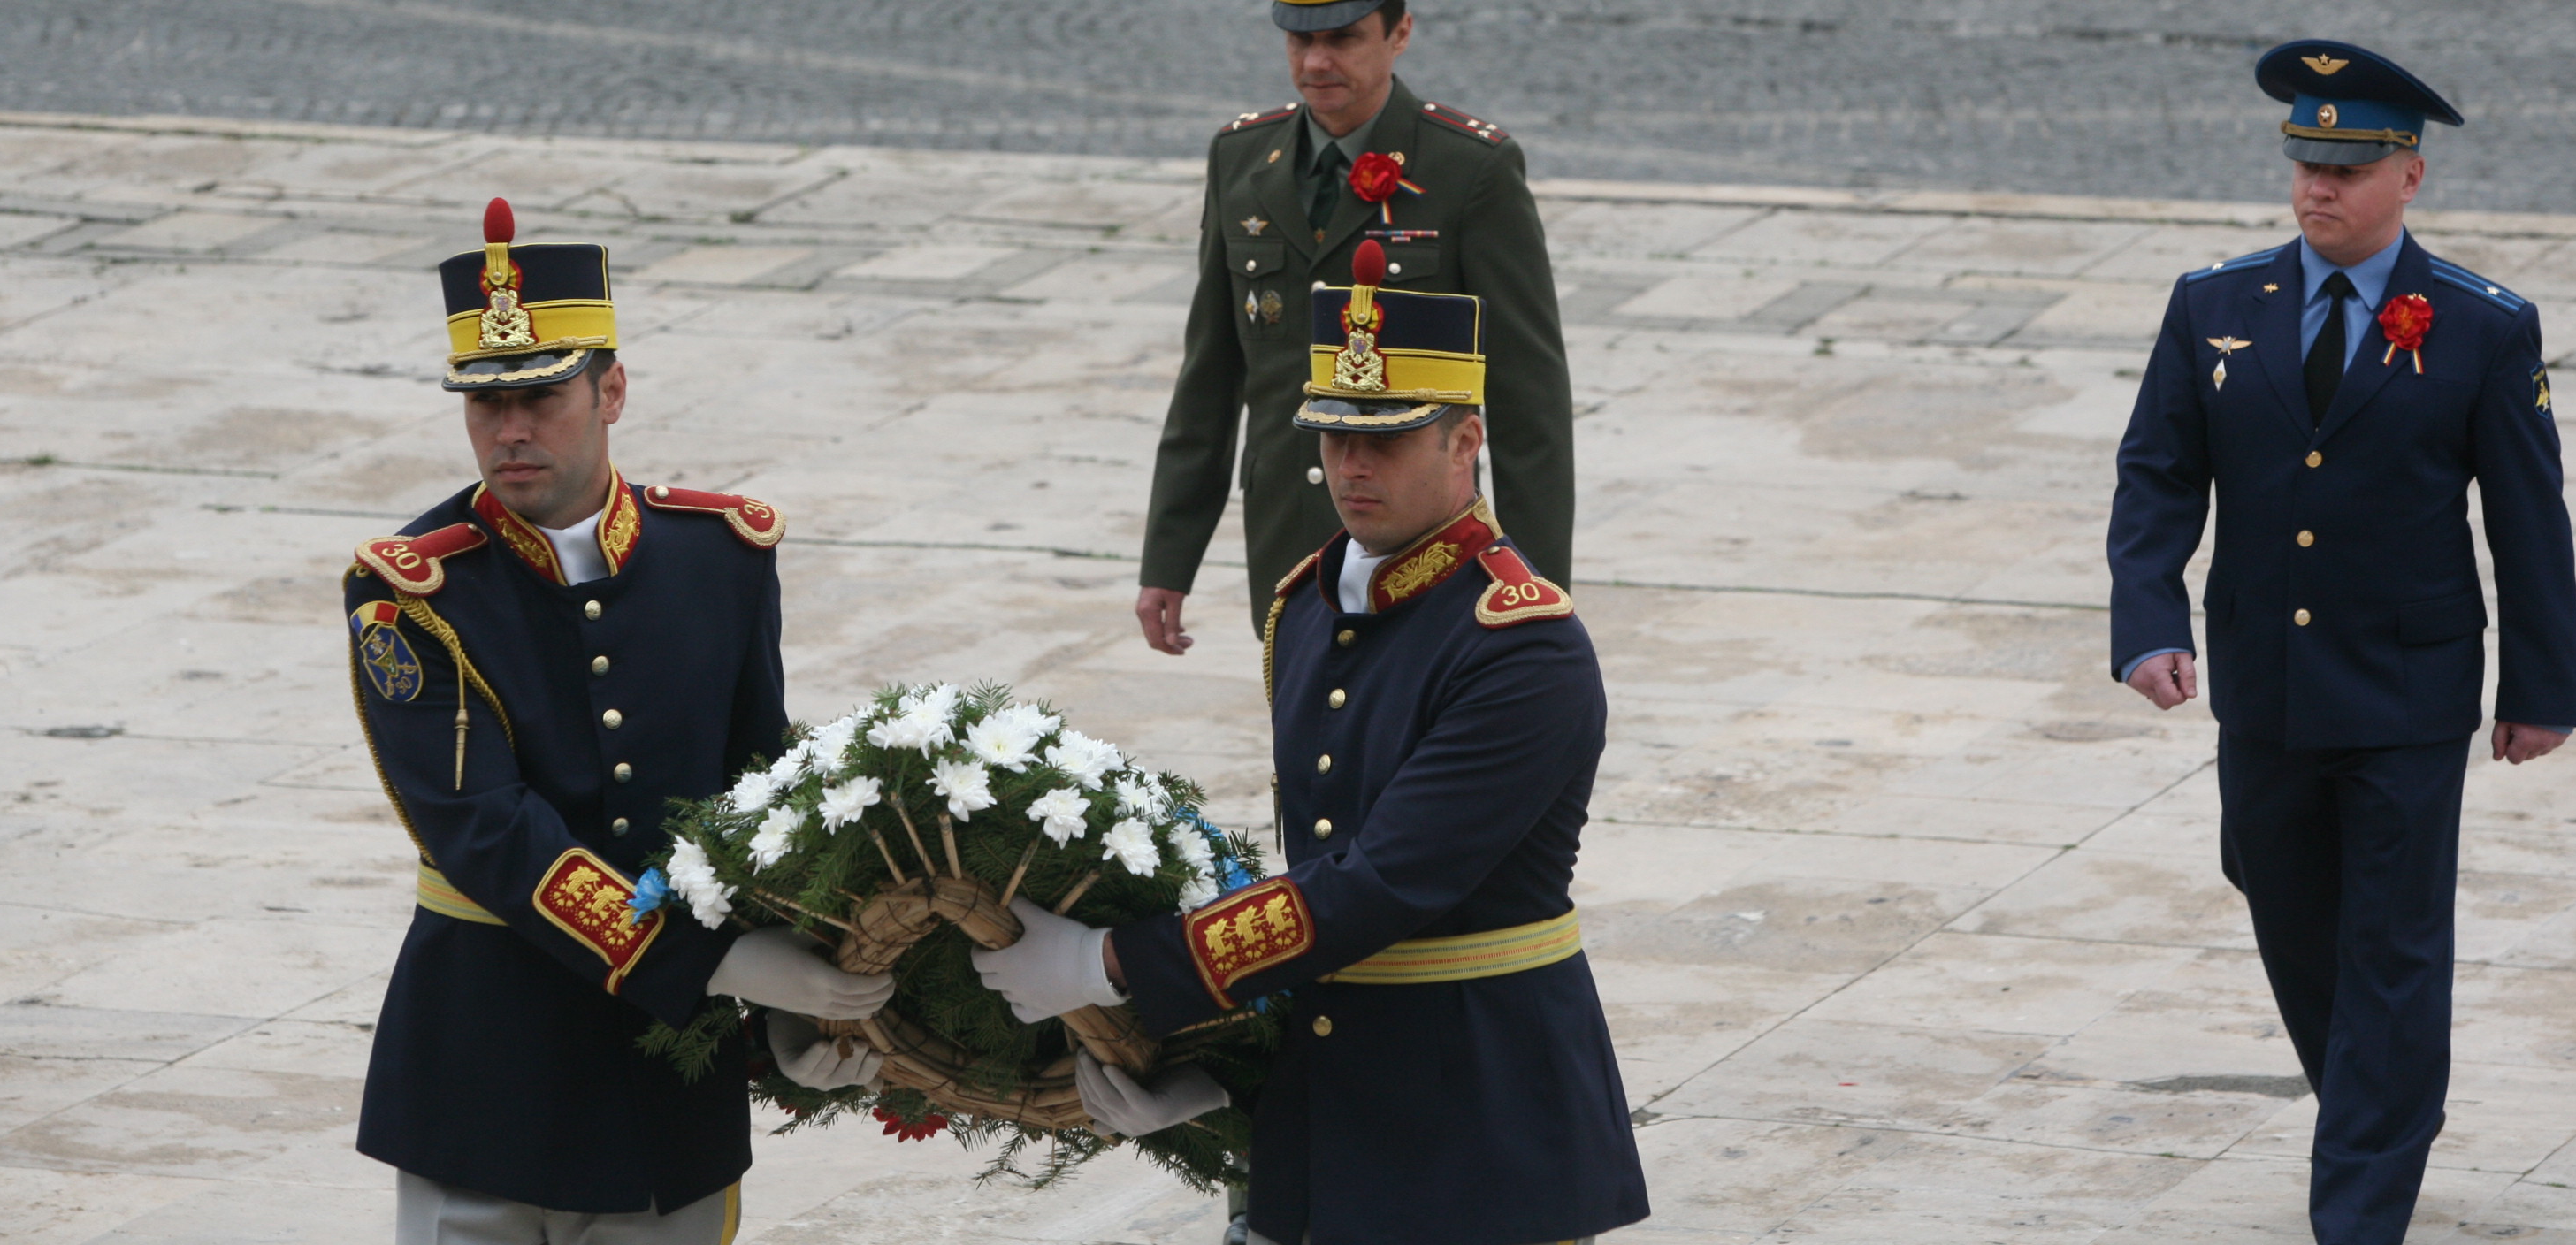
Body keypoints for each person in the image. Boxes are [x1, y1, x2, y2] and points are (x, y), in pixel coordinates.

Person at [977, 241, 1646, 1245]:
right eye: (1335, 439)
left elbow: (1381, 888)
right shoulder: (1308, 603)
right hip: (1335, 1098)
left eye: (1387, 440)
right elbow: (1315, 887)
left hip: (1483, 1115)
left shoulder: (1523, 648)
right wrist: (1228, 1075)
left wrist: (1113, 963)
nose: (1350, 466)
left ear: (1465, 441)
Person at [346, 198, 894, 1244]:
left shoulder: (720, 557)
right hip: (488, 1058)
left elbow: (759, 785)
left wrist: (790, 991)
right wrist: (718, 966)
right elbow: (486, 830)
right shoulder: (414, 592)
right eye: (482, 405)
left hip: (661, 1076)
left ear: (612, 390)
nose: (509, 432)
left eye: (542, 399)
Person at [2109, 40, 2576, 1245]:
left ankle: (2361, 1196)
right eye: (2305, 164)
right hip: (2264, 685)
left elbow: (2529, 523)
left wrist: (2543, 688)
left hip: (2409, 690)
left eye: (2349, 168)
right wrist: (2148, 619)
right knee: (2282, 898)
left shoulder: (2481, 327)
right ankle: (2378, 1103)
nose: (2319, 187)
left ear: (2409, 178)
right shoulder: (2214, 306)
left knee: (2393, 940)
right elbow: (2160, 472)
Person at [1134, 0, 1576, 648]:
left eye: (1343, 38)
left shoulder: (1468, 169)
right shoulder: (1242, 159)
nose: (1316, 64)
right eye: (1299, 40)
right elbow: (1211, 377)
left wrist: (1535, 588)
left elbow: (1530, 399)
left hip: (1425, 540)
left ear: (1399, 33)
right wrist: (1168, 559)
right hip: (1286, 540)